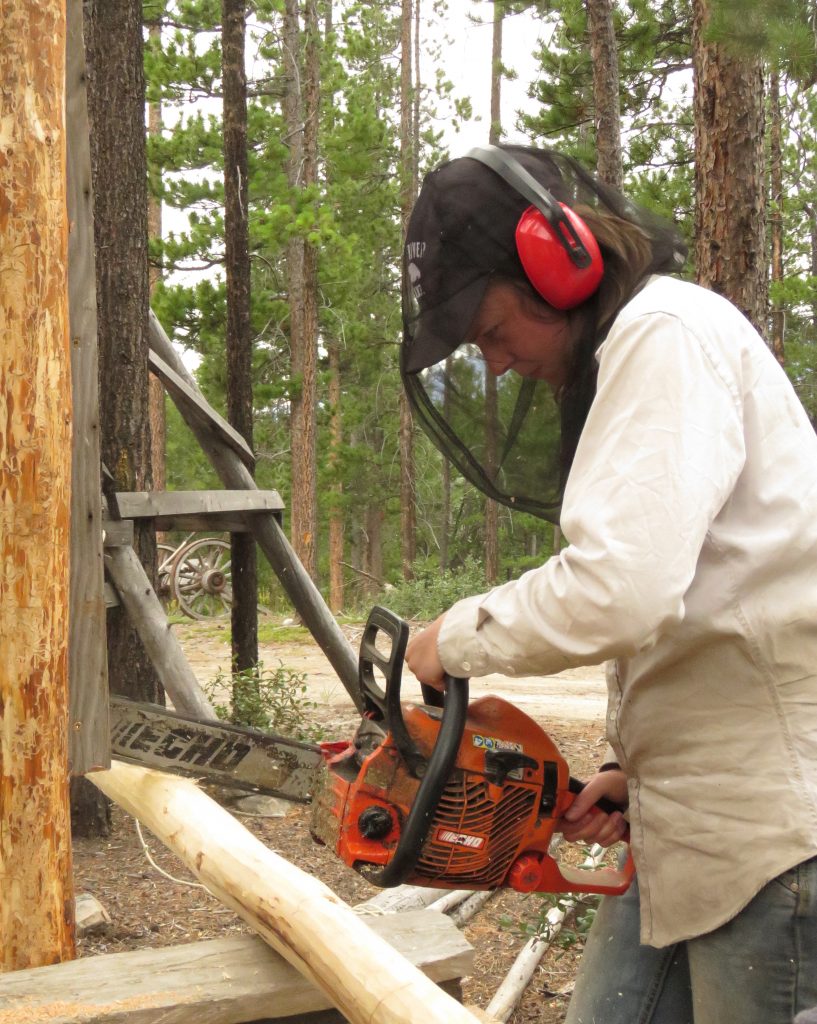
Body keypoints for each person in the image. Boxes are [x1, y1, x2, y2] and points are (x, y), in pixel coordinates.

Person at [399, 143, 817, 1024]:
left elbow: (622, 589)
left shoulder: (664, 334)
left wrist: (455, 637)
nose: (497, 362)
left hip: (771, 835)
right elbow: (705, 594)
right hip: (686, 817)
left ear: (555, 265)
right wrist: (634, 767)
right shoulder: (642, 349)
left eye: (490, 330)